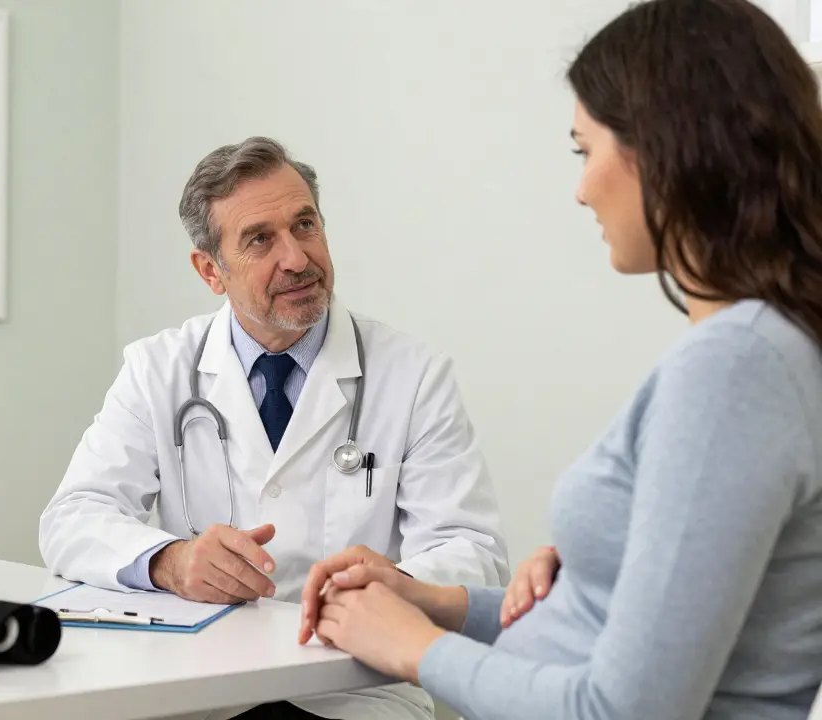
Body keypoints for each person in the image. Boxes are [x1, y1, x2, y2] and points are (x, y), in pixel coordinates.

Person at [298, 1, 822, 718]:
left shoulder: (735, 370)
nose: (580, 189)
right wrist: (441, 605)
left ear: (665, 148)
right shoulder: (764, 351)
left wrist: (413, 649)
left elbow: (623, 709)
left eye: (585, 149)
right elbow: (621, 640)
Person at [38, 136, 511, 720]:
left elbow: (475, 553)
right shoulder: (157, 369)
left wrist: (396, 583)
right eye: (261, 239)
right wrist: (171, 561)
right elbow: (72, 517)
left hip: (354, 690)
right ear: (210, 269)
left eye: (305, 225)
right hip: (199, 688)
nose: (296, 258)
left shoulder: (413, 375)